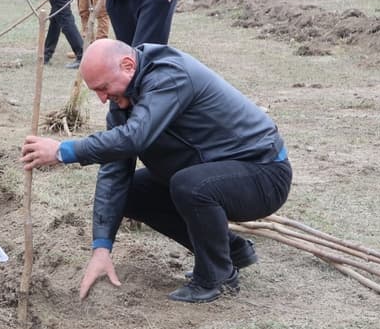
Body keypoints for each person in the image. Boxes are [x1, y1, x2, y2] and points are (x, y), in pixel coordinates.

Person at [20, 39, 292, 304]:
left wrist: (63, 151)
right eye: (96, 92)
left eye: (103, 88)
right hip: (211, 170)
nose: (103, 99)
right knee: (131, 193)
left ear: (128, 65)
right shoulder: (124, 100)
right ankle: (231, 251)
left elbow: (134, 137)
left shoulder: (169, 76)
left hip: (263, 174)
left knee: (191, 185)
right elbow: (115, 172)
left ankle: (217, 277)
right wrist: (101, 247)